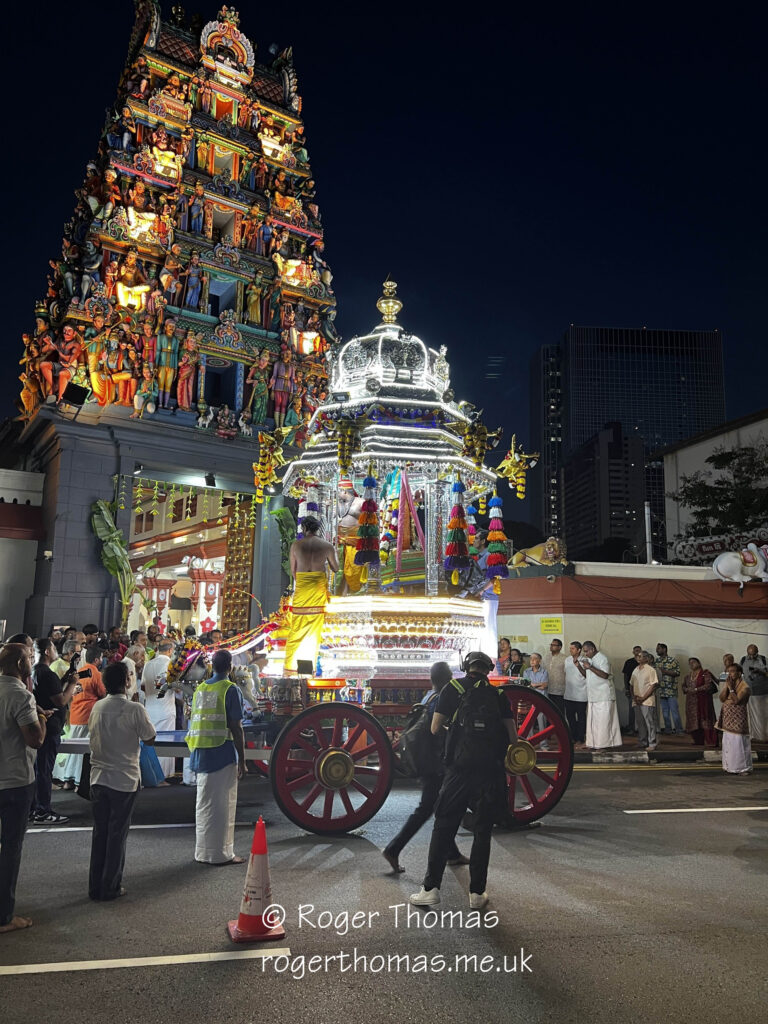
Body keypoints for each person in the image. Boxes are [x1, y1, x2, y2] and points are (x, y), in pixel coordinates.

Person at [410, 651, 515, 910]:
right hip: (489, 771)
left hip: (459, 770)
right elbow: (513, 738)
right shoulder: (499, 695)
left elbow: (435, 728)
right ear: (488, 670)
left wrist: (456, 733)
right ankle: (477, 894)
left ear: (465, 667)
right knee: (482, 831)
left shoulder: (453, 688)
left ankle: (430, 889)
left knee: (444, 826)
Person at [383, 662, 470, 873]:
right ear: (448, 678)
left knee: (440, 807)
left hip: (424, 760)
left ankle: (452, 853)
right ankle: (394, 849)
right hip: (435, 764)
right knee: (428, 809)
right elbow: (439, 731)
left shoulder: (427, 697)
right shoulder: (443, 699)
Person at [88, 661, 156, 900]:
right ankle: (111, 886)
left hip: (98, 777)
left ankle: (95, 886)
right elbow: (150, 737)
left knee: (100, 833)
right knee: (117, 835)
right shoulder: (134, 709)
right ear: (127, 681)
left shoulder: (97, 707)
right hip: (124, 779)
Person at [0, 644, 49, 933]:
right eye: (30, 658)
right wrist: (42, 717)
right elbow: (35, 740)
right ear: (20, 663)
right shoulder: (20, 695)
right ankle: (4, 916)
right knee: (10, 849)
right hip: (15, 781)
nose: (32, 661)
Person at [186, 649, 247, 865]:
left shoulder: (201, 689)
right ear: (230, 667)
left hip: (200, 752)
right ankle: (221, 854)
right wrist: (243, 759)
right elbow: (236, 727)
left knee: (204, 804)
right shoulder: (230, 689)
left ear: (213, 666)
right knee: (222, 805)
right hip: (222, 752)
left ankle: (202, 852)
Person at [32, 637, 79, 823]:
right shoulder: (47, 673)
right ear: (46, 651)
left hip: (40, 724)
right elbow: (60, 700)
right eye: (53, 648)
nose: (55, 651)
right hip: (49, 726)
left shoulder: (35, 672)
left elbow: (50, 691)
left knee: (39, 768)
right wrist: (73, 683)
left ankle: (34, 807)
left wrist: (65, 679)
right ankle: (43, 810)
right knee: (44, 769)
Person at [284, 515, 338, 673]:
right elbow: (336, 568)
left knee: (297, 626)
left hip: (302, 586)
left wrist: (302, 581)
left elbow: (293, 571)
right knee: (315, 630)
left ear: (304, 528)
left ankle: (291, 668)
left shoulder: (296, 545)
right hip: (317, 587)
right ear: (317, 529)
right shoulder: (327, 546)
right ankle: (309, 668)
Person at [59, 647, 106, 789]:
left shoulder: (79, 672)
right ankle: (79, 782)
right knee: (84, 750)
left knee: (73, 749)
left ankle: (67, 780)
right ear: (97, 659)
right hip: (88, 715)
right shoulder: (96, 674)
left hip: (75, 713)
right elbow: (102, 693)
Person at [142, 638, 176, 778]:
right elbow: (161, 685)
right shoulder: (169, 664)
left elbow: (144, 685)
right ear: (170, 650)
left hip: (150, 707)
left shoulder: (148, 664)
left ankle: (151, 774)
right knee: (165, 743)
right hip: (164, 708)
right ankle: (161, 776)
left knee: (151, 742)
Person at [579, 641, 622, 752]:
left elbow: (605, 675)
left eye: (586, 651)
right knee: (593, 722)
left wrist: (590, 667)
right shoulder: (590, 660)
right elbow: (587, 675)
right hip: (593, 695)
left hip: (604, 695)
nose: (585, 654)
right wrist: (579, 667)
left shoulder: (603, 658)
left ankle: (603, 745)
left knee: (603, 722)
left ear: (593, 649)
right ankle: (591, 743)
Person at [717, 663, 752, 775]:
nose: (730, 674)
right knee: (728, 741)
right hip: (728, 716)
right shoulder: (729, 683)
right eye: (729, 671)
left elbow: (737, 700)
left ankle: (742, 768)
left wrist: (731, 689)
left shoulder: (745, 686)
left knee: (738, 742)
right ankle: (729, 767)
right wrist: (727, 687)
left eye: (732, 671)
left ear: (739, 673)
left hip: (738, 718)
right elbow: (722, 698)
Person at [682, 657, 718, 747]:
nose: (691, 664)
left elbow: (708, 685)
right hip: (691, 703)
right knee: (694, 722)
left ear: (699, 663)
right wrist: (686, 689)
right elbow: (683, 686)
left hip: (703, 702)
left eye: (693, 662)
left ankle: (711, 741)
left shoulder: (705, 674)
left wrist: (696, 689)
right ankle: (698, 740)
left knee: (705, 720)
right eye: (689, 663)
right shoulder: (688, 676)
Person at [630, 651, 659, 750]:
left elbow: (653, 685)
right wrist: (634, 697)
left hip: (647, 700)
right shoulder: (635, 669)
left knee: (649, 722)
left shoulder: (651, 670)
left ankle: (652, 743)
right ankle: (642, 741)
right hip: (636, 700)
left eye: (640, 656)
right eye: (637, 656)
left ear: (647, 658)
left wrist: (643, 698)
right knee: (640, 722)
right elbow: (631, 685)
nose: (638, 657)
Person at [740, 644, 768, 742]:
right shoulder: (743, 660)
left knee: (762, 715)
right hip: (748, 692)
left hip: (762, 692)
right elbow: (740, 673)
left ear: (757, 652)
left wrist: (761, 672)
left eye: (754, 654)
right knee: (749, 715)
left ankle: (763, 736)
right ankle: (751, 736)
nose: (751, 657)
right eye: (749, 654)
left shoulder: (763, 659)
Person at [655, 643, 682, 735]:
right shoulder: (657, 661)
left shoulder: (672, 660)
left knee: (674, 711)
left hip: (671, 690)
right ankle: (668, 730)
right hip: (661, 690)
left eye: (658, 649)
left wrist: (664, 671)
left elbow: (677, 673)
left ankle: (679, 730)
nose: (656, 650)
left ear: (664, 649)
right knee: (665, 712)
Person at [564, 641, 588, 746]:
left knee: (581, 718)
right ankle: (573, 737)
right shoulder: (567, 660)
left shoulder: (585, 660)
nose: (571, 650)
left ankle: (580, 738)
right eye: (570, 648)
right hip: (569, 694)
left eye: (573, 648)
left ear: (579, 650)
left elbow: (587, 675)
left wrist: (578, 666)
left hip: (581, 694)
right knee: (570, 717)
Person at [542, 639, 567, 718]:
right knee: (549, 712)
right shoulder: (546, 657)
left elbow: (567, 673)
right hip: (548, 689)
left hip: (560, 690)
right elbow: (542, 671)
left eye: (554, 645)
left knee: (559, 713)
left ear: (559, 647)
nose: (551, 646)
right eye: (551, 644)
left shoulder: (565, 658)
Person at [621, 646, 642, 734]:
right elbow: (625, 676)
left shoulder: (643, 663)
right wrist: (626, 688)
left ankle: (641, 728)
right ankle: (631, 728)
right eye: (636, 651)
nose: (637, 652)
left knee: (643, 709)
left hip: (642, 689)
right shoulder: (629, 662)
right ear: (633, 652)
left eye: (639, 651)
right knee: (632, 709)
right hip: (631, 688)